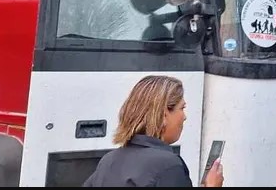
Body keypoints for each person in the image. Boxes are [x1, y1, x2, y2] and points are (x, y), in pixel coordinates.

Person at [83, 75, 224, 187]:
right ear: (163, 115)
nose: (184, 117)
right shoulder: (168, 165)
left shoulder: (108, 160)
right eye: (182, 108)